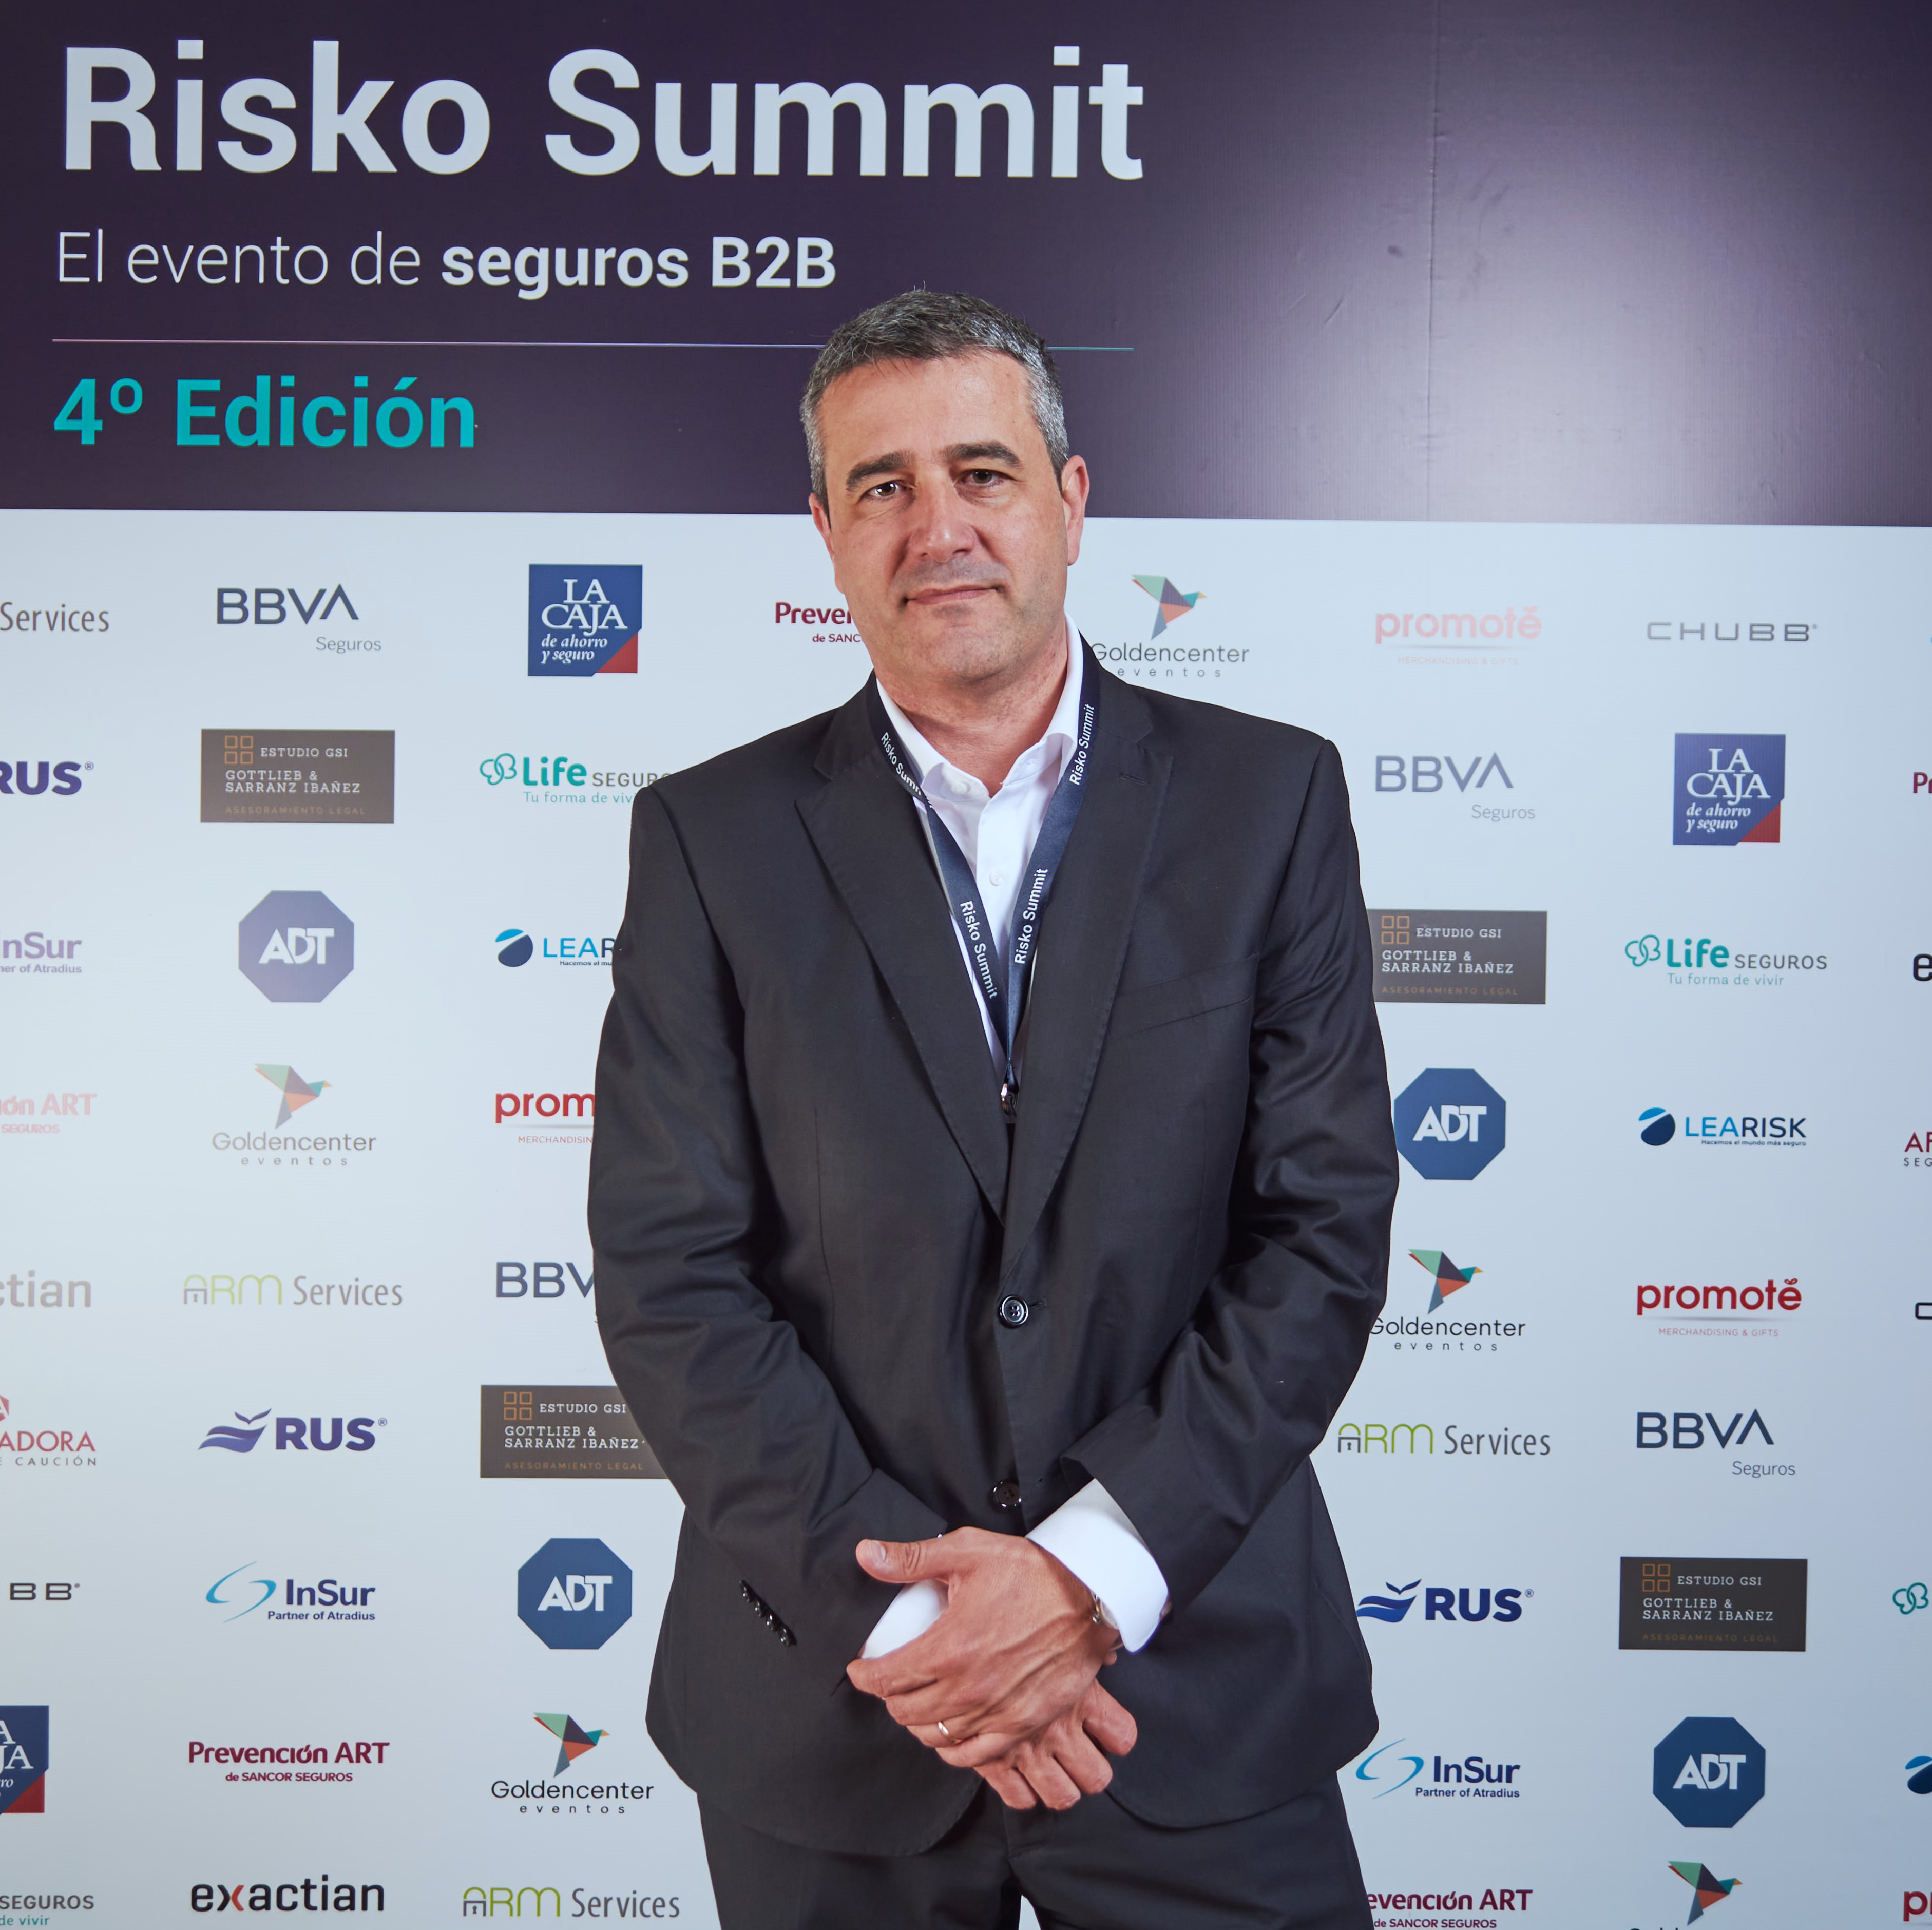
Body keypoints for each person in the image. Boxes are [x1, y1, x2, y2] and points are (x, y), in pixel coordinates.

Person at [591, 290, 1394, 1928]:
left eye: (982, 471)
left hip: (1189, 1680)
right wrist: (921, 1629)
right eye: (881, 485)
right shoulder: (710, 840)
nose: (937, 525)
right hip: (840, 1702)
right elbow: (672, 1275)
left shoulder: (1268, 801)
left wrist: (1087, 1577)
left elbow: (1317, 1232)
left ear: (1071, 501)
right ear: (825, 532)